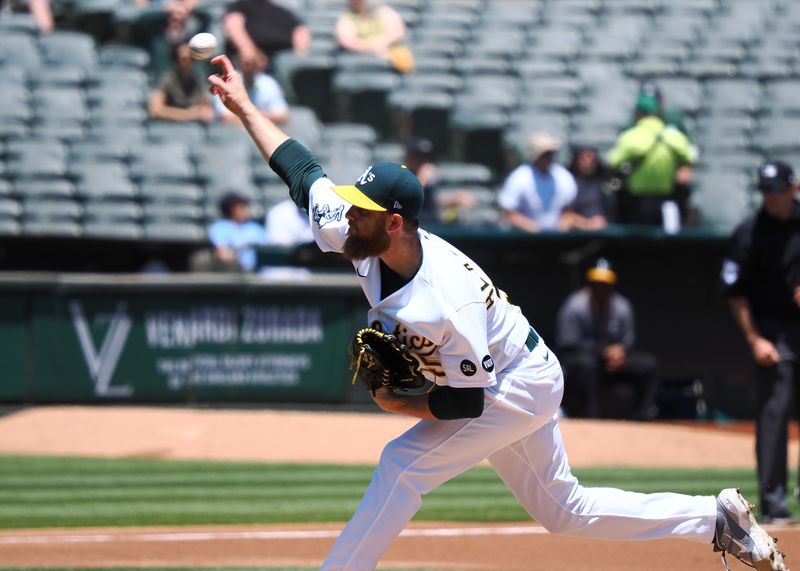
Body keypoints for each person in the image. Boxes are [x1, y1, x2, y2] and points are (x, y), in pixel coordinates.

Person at [207, 53, 787, 571]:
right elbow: (301, 172)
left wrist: (396, 400)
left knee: (401, 463)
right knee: (565, 510)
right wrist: (243, 106)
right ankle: (714, 519)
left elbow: (468, 402)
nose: (346, 217)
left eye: (361, 211)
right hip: (507, 371)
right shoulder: (358, 232)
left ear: (395, 223)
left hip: (519, 382)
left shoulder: (445, 300)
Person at [722, 160, 800, 525]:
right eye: (764, 190)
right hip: (772, 330)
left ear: (792, 188)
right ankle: (774, 505)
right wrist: (755, 339)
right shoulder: (749, 233)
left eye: (776, 189)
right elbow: (735, 293)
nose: (770, 197)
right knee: (774, 414)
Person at [555, 258, 658, 420]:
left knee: (648, 364)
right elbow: (568, 345)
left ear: (612, 285)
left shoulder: (622, 307)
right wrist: (602, 352)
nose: (601, 287)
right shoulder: (575, 306)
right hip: (584, 363)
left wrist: (620, 353)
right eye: (597, 283)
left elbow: (627, 343)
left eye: (605, 284)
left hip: (614, 361)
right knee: (587, 365)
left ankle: (641, 419)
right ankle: (591, 419)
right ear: (590, 283)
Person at [606, 93, 696, 228]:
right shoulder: (674, 136)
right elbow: (690, 158)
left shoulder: (630, 137)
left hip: (635, 205)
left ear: (638, 113)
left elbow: (612, 161)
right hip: (665, 203)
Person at [498, 132, 577, 233]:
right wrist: (535, 230)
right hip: (524, 239)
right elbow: (508, 213)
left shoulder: (564, 177)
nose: (549, 157)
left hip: (556, 239)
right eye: (545, 154)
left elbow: (568, 211)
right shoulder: (519, 177)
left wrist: (559, 231)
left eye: (551, 153)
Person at [404, 137, 476, 226]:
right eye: (417, 157)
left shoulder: (432, 178)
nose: (422, 161)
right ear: (408, 157)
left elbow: (432, 202)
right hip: (411, 226)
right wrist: (422, 180)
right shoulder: (401, 174)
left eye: (425, 157)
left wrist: (454, 199)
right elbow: (406, 201)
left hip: (433, 224)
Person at [223, 0, 310, 72]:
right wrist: (249, 51)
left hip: (278, 62)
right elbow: (233, 25)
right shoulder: (241, 6)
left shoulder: (281, 11)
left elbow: (300, 30)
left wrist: (299, 53)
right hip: (249, 66)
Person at [335, 0, 414, 73]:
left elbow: (397, 31)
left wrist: (382, 43)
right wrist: (371, 47)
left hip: (390, 52)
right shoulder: (347, 17)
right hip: (361, 56)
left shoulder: (384, 12)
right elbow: (346, 40)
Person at [148, 42, 214, 124]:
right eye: (184, 59)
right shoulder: (166, 80)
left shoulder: (198, 81)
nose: (189, 63)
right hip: (168, 128)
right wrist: (187, 114)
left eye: (192, 59)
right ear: (176, 60)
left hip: (192, 130)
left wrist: (204, 112)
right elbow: (155, 110)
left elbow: (207, 110)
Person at [214, 56, 289, 124]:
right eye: (246, 64)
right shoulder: (227, 83)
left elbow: (282, 115)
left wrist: (246, 117)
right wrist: (263, 117)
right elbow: (226, 118)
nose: (248, 68)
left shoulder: (269, 82)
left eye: (252, 64)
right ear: (238, 64)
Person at [207, 190, 268, 271]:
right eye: (241, 208)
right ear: (231, 210)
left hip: (261, 271)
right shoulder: (220, 227)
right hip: (236, 272)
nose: (245, 210)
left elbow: (268, 248)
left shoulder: (255, 228)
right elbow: (223, 252)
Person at [559, 145, 612, 231]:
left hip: (602, 231)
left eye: (591, 158)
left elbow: (615, 189)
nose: (588, 162)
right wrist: (584, 223)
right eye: (583, 158)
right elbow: (564, 212)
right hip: (574, 230)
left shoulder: (605, 179)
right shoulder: (567, 180)